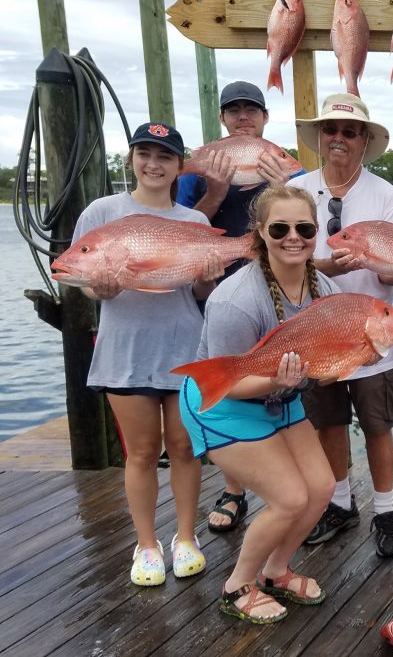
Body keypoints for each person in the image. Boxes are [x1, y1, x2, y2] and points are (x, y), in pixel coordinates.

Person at [71, 122, 222, 586]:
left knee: (183, 447)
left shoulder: (194, 222)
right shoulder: (101, 212)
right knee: (140, 452)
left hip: (183, 347)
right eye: (145, 154)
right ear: (132, 158)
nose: (153, 164)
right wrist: (98, 288)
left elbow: (199, 290)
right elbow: (83, 278)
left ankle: (185, 537)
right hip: (126, 350)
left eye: (165, 156)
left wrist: (211, 273)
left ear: (179, 166)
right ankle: (146, 544)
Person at [179, 185, 335, 624]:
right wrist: (282, 379)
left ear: (316, 231)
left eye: (304, 228)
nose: (293, 237)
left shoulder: (324, 287)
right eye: (280, 227)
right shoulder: (234, 300)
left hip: (279, 394)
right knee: (289, 497)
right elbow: (225, 385)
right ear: (260, 233)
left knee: (321, 488)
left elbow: (331, 354)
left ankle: (275, 571)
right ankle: (236, 586)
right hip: (222, 402)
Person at [289, 93, 393, 557]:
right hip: (315, 332)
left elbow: (389, 266)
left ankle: (385, 509)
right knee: (328, 423)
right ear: (320, 138)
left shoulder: (383, 193)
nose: (339, 138)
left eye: (350, 131)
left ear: (365, 141)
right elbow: (283, 256)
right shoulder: (297, 189)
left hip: (373, 335)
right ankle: (341, 505)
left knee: (378, 424)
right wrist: (327, 266)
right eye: (331, 130)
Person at [178, 80, 303, 534]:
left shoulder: (280, 163)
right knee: (227, 386)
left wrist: (283, 187)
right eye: (234, 110)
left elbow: (301, 228)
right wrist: (214, 190)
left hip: (272, 298)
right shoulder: (198, 170)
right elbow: (184, 233)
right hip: (217, 293)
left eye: (252, 109)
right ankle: (234, 490)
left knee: (271, 384)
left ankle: (278, 490)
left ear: (265, 118)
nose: (243, 117)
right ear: (223, 120)